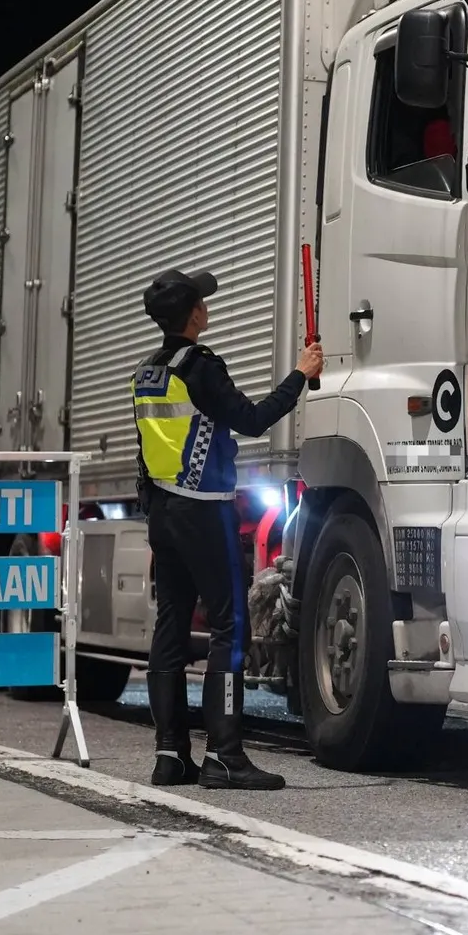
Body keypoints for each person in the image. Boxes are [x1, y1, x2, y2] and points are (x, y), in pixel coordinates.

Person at [132, 267, 322, 790]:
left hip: (165, 515)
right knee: (230, 627)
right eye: (203, 302)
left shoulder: (146, 371)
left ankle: (170, 755)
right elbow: (254, 418)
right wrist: (300, 374)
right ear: (194, 314)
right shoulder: (200, 366)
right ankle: (225, 757)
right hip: (204, 511)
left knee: (170, 628)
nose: (207, 309)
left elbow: (147, 454)